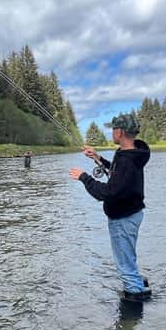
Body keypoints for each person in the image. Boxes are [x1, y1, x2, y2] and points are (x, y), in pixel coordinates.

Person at [69, 113, 152, 301]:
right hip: (131, 213)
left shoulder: (126, 160)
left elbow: (107, 193)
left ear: (120, 132)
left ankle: (133, 310)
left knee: (124, 265)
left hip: (123, 218)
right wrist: (98, 158)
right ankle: (138, 285)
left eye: (113, 129)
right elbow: (118, 176)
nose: (111, 132)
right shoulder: (133, 153)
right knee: (128, 258)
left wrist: (84, 177)